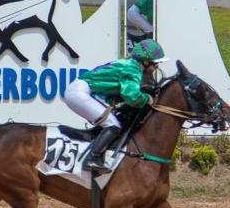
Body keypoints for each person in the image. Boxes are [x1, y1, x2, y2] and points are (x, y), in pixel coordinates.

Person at [63, 39, 168, 171]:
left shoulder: (130, 64)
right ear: (146, 62)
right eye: (156, 63)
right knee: (113, 124)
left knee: (112, 120)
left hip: (81, 90)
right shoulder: (133, 68)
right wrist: (147, 98)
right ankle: (91, 159)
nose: (157, 67)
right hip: (79, 93)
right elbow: (132, 96)